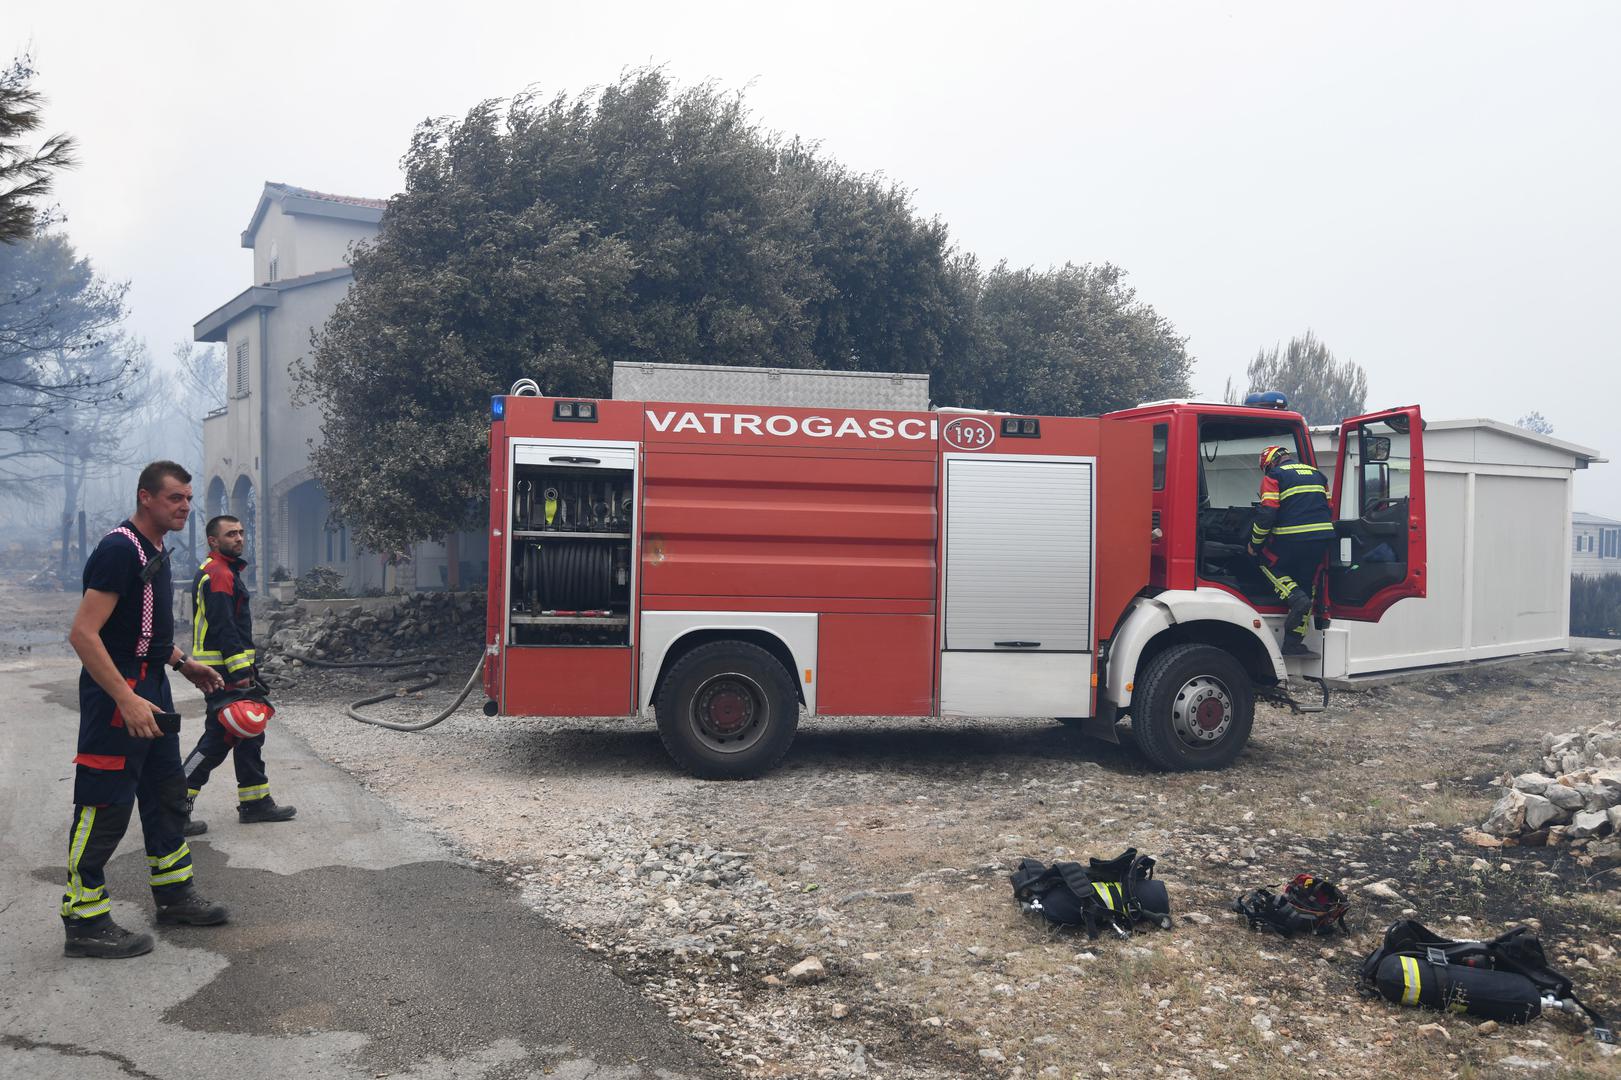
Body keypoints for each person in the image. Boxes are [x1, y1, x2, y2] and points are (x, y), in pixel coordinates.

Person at [62, 461, 230, 959]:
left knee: (166, 795)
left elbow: (137, 630)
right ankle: (84, 920)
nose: (185, 507)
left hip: (151, 684)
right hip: (118, 692)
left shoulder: (156, 548)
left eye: (189, 498)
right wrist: (126, 698)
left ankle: (175, 896)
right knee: (105, 803)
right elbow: (84, 634)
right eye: (175, 498)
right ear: (145, 497)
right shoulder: (119, 549)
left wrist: (183, 663)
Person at [180, 514, 295, 834]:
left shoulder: (222, 570)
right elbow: (224, 627)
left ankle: (255, 803)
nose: (239, 538)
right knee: (219, 740)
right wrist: (240, 671)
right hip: (224, 673)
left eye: (241, 532)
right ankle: (174, 805)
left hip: (226, 671)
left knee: (248, 734)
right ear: (213, 541)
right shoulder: (218, 573)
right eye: (231, 534)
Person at [1248, 445, 1336, 655]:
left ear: (1270, 463)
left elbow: (1267, 513)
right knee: (1307, 581)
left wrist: (1255, 544)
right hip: (1321, 539)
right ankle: (1293, 643)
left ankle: (1295, 597)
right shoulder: (1318, 475)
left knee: (1266, 563)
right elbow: (1329, 507)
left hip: (1290, 538)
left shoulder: (1274, 476)